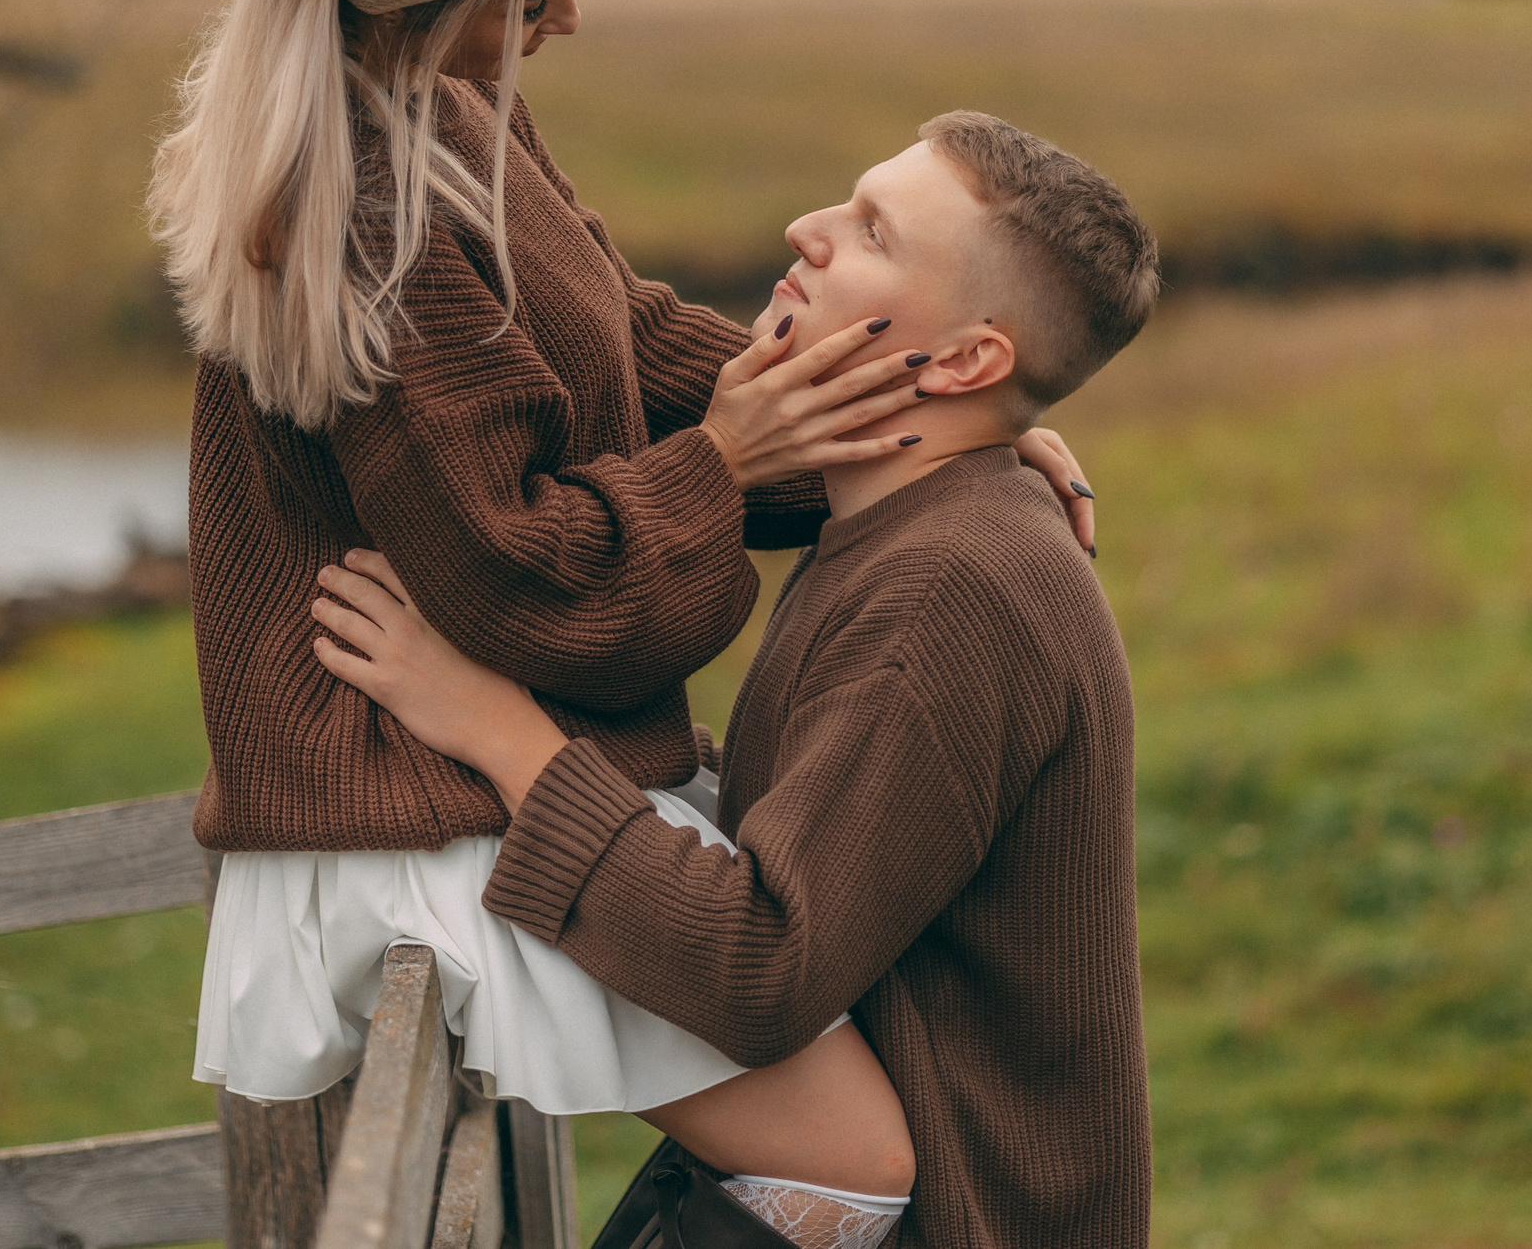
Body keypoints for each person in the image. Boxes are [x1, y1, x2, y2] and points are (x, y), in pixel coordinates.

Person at [148, 0, 1101, 1248]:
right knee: (854, 1158)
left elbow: (632, 334)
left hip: (466, 775)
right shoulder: (364, 219)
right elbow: (533, 586)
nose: (569, 15)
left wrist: (903, 423)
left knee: (830, 1113)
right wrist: (729, 459)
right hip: (411, 806)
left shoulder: (454, 115)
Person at [315, 112, 1159, 1247]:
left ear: (963, 361)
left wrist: (499, 731)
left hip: (956, 1215)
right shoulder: (922, 525)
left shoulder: (951, 587)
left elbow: (760, 970)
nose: (806, 230)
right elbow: (826, 832)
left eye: (872, 232)